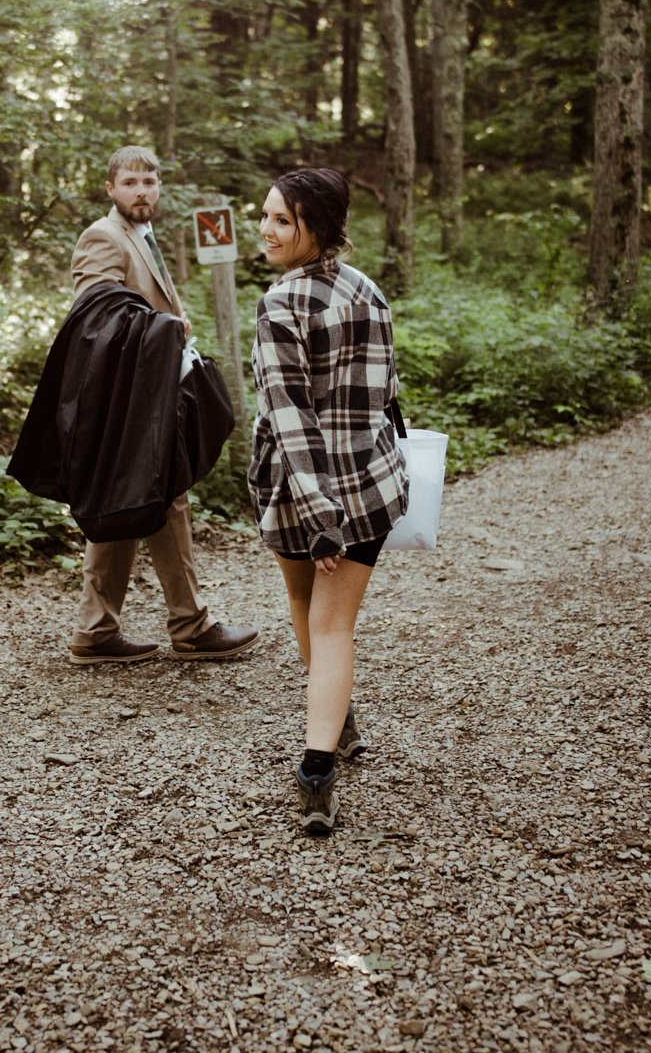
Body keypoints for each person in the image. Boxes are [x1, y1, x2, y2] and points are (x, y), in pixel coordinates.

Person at [247, 167, 408, 835]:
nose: (267, 229)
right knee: (331, 621)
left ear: (319, 227)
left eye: (284, 220)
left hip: (302, 499)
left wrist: (319, 520)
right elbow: (388, 393)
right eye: (266, 216)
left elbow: (290, 420)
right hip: (369, 487)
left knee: (316, 615)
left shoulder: (280, 304)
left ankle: (317, 772)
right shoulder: (367, 291)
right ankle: (335, 722)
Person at [64, 145, 259, 666]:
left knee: (146, 497)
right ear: (111, 189)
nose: (142, 191)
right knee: (141, 497)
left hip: (151, 393)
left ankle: (106, 630)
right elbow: (95, 320)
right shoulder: (102, 237)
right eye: (130, 183)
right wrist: (165, 327)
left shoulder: (142, 235)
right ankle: (183, 626)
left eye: (149, 182)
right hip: (125, 400)